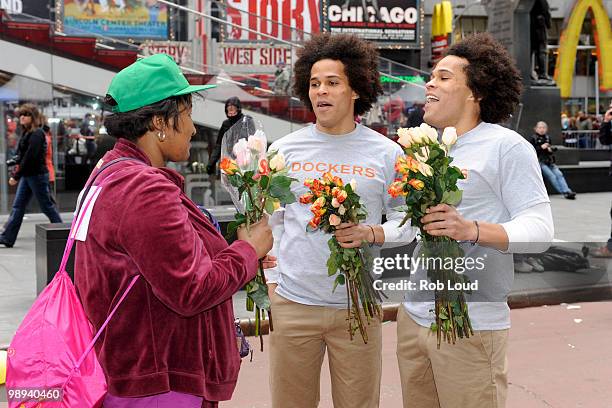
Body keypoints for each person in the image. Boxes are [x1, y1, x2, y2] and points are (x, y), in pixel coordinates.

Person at [73, 54, 274, 407]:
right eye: (187, 114)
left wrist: (229, 251)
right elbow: (192, 290)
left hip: (133, 372)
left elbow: (157, 262)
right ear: (159, 122)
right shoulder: (143, 188)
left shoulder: (111, 171)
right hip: (159, 382)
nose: (194, 128)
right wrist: (247, 252)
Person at [397, 33, 554, 408]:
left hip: (472, 323)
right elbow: (410, 226)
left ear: (475, 92)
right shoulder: (426, 148)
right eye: (431, 76)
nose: (429, 83)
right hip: (414, 318)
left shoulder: (506, 146)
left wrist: (472, 230)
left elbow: (541, 229)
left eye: (444, 77)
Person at [265, 33, 416, 408]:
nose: (321, 92)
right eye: (315, 84)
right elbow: (271, 220)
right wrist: (271, 284)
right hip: (293, 303)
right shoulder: (284, 149)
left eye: (332, 83)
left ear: (355, 91)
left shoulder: (386, 153)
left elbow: (408, 221)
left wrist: (371, 232)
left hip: (357, 307)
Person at [0, 104, 62, 248]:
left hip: (37, 176)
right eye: (21, 114)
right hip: (29, 175)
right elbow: (23, 155)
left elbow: (30, 157)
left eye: (26, 114)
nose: (22, 117)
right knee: (18, 206)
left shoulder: (37, 134)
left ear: (32, 117)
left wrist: (16, 176)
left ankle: (64, 233)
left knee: (47, 206)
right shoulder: (28, 133)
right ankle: (7, 237)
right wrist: (16, 164)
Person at [206, 97, 254, 175]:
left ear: (238, 109)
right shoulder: (226, 124)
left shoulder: (247, 120)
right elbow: (219, 145)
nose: (231, 112)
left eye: (233, 109)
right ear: (226, 110)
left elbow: (252, 141)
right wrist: (211, 162)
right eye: (229, 109)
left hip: (246, 161)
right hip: (230, 163)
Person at [529, 121, 577, 199]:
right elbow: (531, 150)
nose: (542, 129)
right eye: (540, 127)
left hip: (549, 161)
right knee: (552, 176)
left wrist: (550, 150)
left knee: (559, 174)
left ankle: (568, 191)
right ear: (536, 129)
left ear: (546, 129)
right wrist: (541, 147)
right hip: (540, 162)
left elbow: (549, 151)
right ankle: (564, 192)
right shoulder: (533, 138)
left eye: (544, 128)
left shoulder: (547, 138)